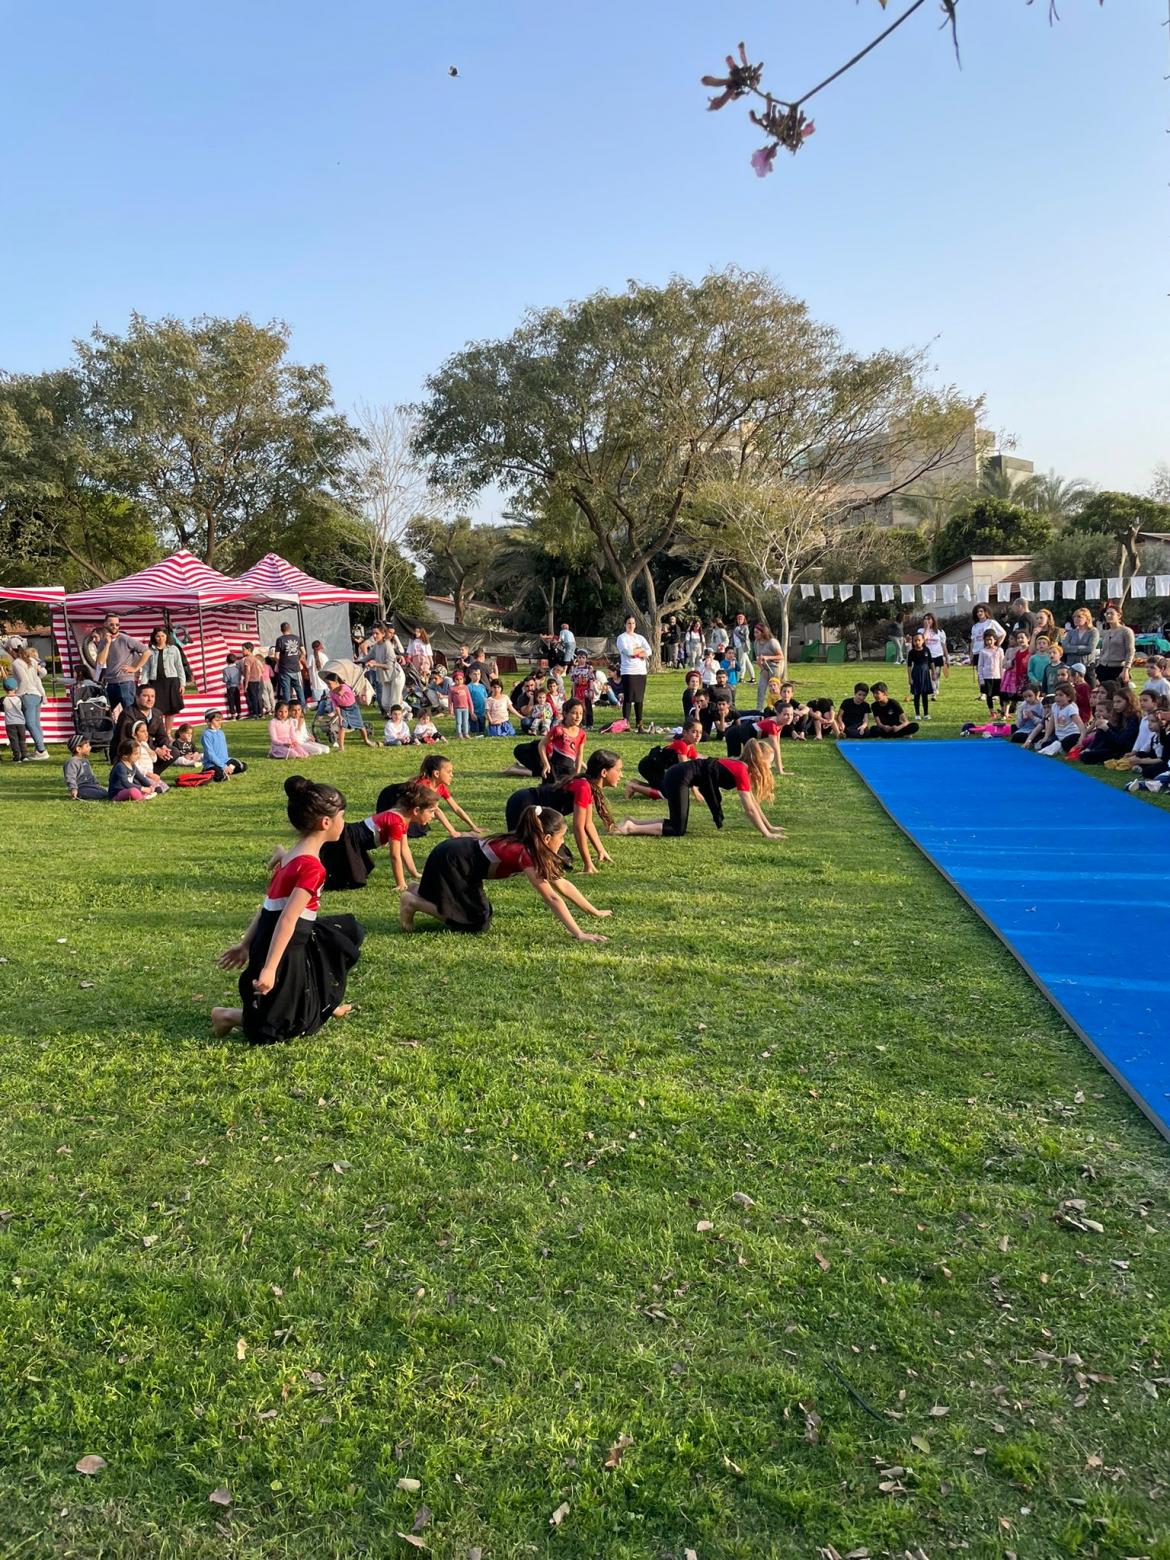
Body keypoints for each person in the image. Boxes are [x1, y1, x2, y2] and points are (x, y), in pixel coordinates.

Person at [212, 776, 365, 1043]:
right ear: (326, 822)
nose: (344, 823)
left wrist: (245, 944)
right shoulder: (312, 868)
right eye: (342, 817)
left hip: (290, 940)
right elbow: (286, 918)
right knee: (281, 1029)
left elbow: (267, 908)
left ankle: (325, 1006)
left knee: (340, 938)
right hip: (284, 946)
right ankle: (226, 1016)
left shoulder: (291, 856)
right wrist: (270, 968)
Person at [399, 805, 613, 941]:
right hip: (454, 861)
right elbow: (552, 897)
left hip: (457, 857)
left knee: (482, 913)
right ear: (547, 838)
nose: (563, 842)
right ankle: (413, 902)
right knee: (476, 922)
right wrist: (579, 934)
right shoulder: (526, 853)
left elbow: (562, 884)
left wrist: (594, 911)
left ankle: (418, 890)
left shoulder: (530, 844)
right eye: (562, 837)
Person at [617, 738, 785, 841]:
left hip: (679, 775)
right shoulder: (741, 770)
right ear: (758, 760)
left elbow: (753, 804)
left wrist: (769, 827)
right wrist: (766, 834)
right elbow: (749, 810)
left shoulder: (742, 768)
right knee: (677, 829)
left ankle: (634, 822)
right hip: (679, 776)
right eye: (769, 763)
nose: (770, 767)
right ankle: (631, 828)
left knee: (676, 823)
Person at [504, 749, 623, 873]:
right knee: (522, 854)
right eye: (618, 770)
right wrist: (588, 864)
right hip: (522, 804)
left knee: (564, 860)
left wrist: (601, 851)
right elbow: (578, 828)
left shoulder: (588, 786)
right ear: (604, 772)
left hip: (536, 811)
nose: (621, 775)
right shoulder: (583, 787)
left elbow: (588, 824)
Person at [321, 779, 440, 894]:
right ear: (416, 810)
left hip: (353, 839)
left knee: (359, 873)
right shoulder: (396, 821)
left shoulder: (403, 818)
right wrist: (401, 883)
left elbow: (404, 848)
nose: (433, 816)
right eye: (431, 811)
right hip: (347, 838)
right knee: (349, 881)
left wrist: (414, 873)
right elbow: (395, 856)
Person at [376, 753, 482, 840]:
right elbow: (436, 810)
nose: (452, 775)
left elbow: (456, 808)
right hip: (389, 799)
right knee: (403, 831)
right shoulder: (423, 786)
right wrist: (452, 832)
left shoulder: (440, 787)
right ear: (436, 774)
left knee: (422, 829)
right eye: (449, 772)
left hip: (409, 806)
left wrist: (473, 826)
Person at [506, 698, 587, 780]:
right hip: (550, 762)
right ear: (565, 714)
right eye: (574, 713)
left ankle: (517, 769)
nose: (578, 716)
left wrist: (579, 772)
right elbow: (542, 744)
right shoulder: (558, 730)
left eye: (581, 713)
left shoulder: (581, 734)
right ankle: (516, 769)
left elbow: (578, 754)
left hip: (564, 767)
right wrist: (546, 764)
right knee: (546, 774)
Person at [92, 613, 149, 720]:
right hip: (110, 683)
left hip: (125, 683)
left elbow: (147, 652)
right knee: (105, 714)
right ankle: (111, 730)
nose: (115, 627)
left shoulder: (125, 639)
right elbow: (100, 662)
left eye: (117, 625)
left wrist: (135, 668)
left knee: (131, 714)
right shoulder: (103, 642)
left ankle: (136, 730)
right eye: (112, 624)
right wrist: (107, 644)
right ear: (105, 624)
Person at [626, 723, 702, 799]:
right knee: (667, 795)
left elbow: (694, 767)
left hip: (657, 768)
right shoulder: (681, 744)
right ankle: (633, 786)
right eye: (694, 732)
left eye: (700, 732)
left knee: (671, 791)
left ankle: (636, 783)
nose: (698, 735)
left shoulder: (690, 747)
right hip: (649, 767)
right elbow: (686, 770)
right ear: (685, 733)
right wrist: (694, 790)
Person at [113, 685, 175, 772]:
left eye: (152, 696)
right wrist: (155, 749)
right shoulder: (128, 714)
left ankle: (152, 773)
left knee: (174, 752)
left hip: (150, 748)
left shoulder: (157, 713)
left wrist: (164, 747)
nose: (150, 699)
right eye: (145, 696)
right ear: (137, 697)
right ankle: (142, 774)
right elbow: (125, 740)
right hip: (132, 749)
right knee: (137, 752)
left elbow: (162, 735)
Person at [139, 628, 188, 734]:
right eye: (158, 636)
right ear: (154, 637)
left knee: (170, 710)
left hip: (171, 682)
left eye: (162, 636)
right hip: (155, 683)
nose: (160, 638)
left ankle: (168, 733)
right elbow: (146, 669)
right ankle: (159, 732)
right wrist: (143, 685)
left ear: (166, 637)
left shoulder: (174, 649)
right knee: (156, 709)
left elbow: (179, 667)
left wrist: (182, 684)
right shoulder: (149, 651)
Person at [1077, 686, 1141, 765]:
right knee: (1086, 751)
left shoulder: (1134, 717)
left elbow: (1122, 740)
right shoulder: (1120, 715)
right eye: (1114, 702)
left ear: (1128, 701)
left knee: (1086, 756)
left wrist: (1107, 728)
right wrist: (1090, 748)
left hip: (1125, 749)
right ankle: (1093, 749)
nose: (1115, 705)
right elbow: (1109, 735)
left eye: (1119, 702)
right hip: (1114, 745)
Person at [613, 614, 653, 732]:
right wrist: (640, 651)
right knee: (628, 697)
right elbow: (627, 651)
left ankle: (639, 722)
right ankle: (626, 722)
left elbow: (649, 651)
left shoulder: (640, 638)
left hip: (641, 671)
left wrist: (637, 652)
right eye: (629, 623)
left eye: (633, 623)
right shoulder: (622, 638)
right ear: (625, 624)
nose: (631, 625)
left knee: (639, 698)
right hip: (628, 671)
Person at [9, 646, 49, 759]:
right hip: (37, 694)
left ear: (13, 651)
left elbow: (24, 680)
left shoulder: (17, 663)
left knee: (30, 723)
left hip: (28, 695)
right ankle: (39, 749)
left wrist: (17, 694)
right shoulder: (32, 660)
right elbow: (41, 675)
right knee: (36, 723)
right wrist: (43, 694)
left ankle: (41, 750)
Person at [1026, 684, 1085, 756]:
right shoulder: (1055, 706)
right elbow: (1051, 722)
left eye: (1061, 695)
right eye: (1056, 695)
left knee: (1067, 742)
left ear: (1069, 697)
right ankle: (1057, 747)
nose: (1057, 697)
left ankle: (1060, 747)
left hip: (1071, 735)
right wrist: (1046, 737)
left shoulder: (1070, 709)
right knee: (1044, 743)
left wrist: (1082, 737)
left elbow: (1080, 724)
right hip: (1059, 736)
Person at [324, 672, 375, 751]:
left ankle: (366, 740)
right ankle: (341, 747)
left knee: (361, 726)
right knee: (342, 726)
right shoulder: (332, 693)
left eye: (329, 683)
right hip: (343, 709)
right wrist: (340, 716)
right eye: (327, 684)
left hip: (353, 708)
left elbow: (340, 693)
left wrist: (333, 691)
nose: (328, 686)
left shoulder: (344, 687)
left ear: (336, 682)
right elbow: (336, 706)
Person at [724, 711, 788, 770]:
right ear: (778, 714)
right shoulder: (772, 724)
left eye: (791, 714)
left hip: (743, 732)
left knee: (741, 762)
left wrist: (779, 764)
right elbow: (775, 748)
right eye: (785, 714)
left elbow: (777, 745)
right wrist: (780, 770)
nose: (789, 717)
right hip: (735, 733)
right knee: (735, 763)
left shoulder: (779, 723)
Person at [200, 709, 248, 781]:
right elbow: (210, 754)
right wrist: (223, 766)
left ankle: (225, 771)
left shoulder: (221, 733)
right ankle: (209, 771)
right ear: (208, 721)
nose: (219, 722)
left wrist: (226, 765)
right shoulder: (206, 735)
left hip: (225, 761)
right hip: (212, 764)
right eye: (217, 720)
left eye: (220, 720)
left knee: (242, 766)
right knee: (221, 776)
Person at [1096, 605, 1135, 688]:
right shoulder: (1106, 632)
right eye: (1107, 614)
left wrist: (1126, 669)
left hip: (1118, 668)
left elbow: (1130, 651)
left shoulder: (1126, 631)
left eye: (1111, 613)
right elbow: (1103, 650)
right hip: (1103, 668)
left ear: (1119, 615)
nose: (1108, 616)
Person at [128, 721, 170, 791]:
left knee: (165, 788)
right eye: (142, 731)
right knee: (158, 789)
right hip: (142, 775)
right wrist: (148, 774)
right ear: (134, 734)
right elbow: (135, 766)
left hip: (150, 774)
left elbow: (154, 759)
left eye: (146, 731)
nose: (146, 733)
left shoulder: (145, 744)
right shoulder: (134, 747)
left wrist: (151, 752)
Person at [63, 734, 107, 799]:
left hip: (91, 786)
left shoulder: (86, 761)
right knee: (100, 794)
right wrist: (73, 789)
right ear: (78, 749)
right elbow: (70, 777)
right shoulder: (72, 762)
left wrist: (97, 784)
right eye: (87, 746)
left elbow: (91, 775)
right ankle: (79, 794)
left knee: (105, 792)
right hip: (81, 788)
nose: (90, 747)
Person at [272, 622, 306, 708]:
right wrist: (298, 660)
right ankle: (302, 708)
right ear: (290, 629)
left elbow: (276, 656)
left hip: (284, 669)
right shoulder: (297, 638)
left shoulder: (280, 640)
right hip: (296, 668)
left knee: (286, 691)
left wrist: (280, 663)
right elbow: (304, 652)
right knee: (299, 689)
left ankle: (287, 709)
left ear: (281, 630)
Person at [753, 623, 784, 713]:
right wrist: (762, 668)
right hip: (764, 667)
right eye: (754, 632)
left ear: (763, 632)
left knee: (774, 689)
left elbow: (781, 656)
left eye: (757, 632)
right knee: (761, 688)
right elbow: (758, 658)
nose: (755, 634)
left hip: (775, 667)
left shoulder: (772, 642)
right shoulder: (756, 643)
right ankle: (759, 710)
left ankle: (778, 708)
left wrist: (767, 657)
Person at [906, 631, 935, 721]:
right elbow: (909, 666)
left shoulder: (926, 650)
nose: (917, 642)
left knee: (925, 694)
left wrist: (933, 673)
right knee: (917, 694)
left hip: (925, 674)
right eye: (915, 640)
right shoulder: (912, 652)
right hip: (916, 674)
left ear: (923, 640)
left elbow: (931, 662)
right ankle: (917, 714)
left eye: (919, 640)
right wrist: (910, 678)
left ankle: (926, 713)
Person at [1063, 607, 1100, 678]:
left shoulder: (1093, 631)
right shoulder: (1071, 632)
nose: (1075, 619)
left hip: (1087, 666)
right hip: (1071, 666)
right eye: (1074, 617)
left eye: (1079, 617)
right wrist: (1081, 648)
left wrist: (1071, 648)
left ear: (1087, 618)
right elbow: (1064, 647)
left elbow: (1090, 649)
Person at [976, 631, 1006, 715]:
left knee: (1001, 694)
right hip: (987, 677)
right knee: (989, 695)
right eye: (987, 640)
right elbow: (980, 666)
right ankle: (992, 711)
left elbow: (1002, 665)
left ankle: (1003, 710)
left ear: (995, 640)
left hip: (998, 676)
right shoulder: (983, 651)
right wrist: (981, 679)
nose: (989, 642)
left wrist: (1003, 677)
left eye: (990, 640)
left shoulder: (999, 650)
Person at [918, 613, 948, 695]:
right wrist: (927, 628)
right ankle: (930, 690)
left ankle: (935, 690)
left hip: (937, 655)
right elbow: (923, 639)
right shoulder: (920, 631)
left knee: (935, 675)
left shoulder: (940, 632)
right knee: (925, 674)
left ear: (933, 620)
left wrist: (947, 657)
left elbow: (943, 645)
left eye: (929, 619)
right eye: (925, 619)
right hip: (925, 656)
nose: (927, 620)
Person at [3, 675, 28, 763]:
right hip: (21, 722)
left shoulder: (3, 699)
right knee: (22, 739)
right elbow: (24, 708)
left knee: (14, 740)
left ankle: (17, 757)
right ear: (16, 688)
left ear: (4, 689)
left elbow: (1, 708)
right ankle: (24, 756)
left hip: (10, 723)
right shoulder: (20, 698)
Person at [240, 643, 266, 719]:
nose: (242, 651)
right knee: (256, 697)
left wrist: (246, 683)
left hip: (251, 680)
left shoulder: (247, 659)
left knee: (252, 698)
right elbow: (262, 669)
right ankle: (259, 713)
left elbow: (247, 671)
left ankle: (255, 714)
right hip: (257, 680)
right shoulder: (255, 658)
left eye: (243, 649)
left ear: (249, 650)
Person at [447, 670, 473, 739]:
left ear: (463, 679)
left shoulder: (465, 687)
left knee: (465, 721)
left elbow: (469, 698)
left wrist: (471, 708)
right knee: (459, 722)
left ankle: (466, 733)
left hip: (465, 708)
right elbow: (450, 700)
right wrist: (450, 708)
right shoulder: (452, 688)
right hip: (457, 708)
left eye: (461, 679)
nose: (459, 681)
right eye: (457, 679)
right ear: (454, 680)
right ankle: (459, 733)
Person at [731, 613, 754, 683]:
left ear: (744, 620)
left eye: (741, 619)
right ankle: (753, 677)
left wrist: (737, 633)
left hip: (743, 646)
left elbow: (745, 638)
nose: (739, 620)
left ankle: (741, 677)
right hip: (737, 646)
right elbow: (733, 638)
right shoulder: (736, 627)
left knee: (742, 662)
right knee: (747, 662)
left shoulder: (745, 627)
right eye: (738, 619)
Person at [467, 667, 488, 735]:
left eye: (478, 674)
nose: (477, 676)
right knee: (475, 731)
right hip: (474, 713)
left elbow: (485, 699)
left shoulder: (482, 686)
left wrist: (486, 711)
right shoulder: (468, 687)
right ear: (470, 675)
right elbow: (467, 701)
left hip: (482, 713)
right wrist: (471, 713)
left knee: (482, 730)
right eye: (474, 674)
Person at [222, 653, 243, 719]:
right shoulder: (237, 669)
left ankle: (233, 714)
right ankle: (239, 714)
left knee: (231, 701)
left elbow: (225, 680)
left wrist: (223, 680)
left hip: (230, 686)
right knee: (237, 700)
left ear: (227, 660)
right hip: (237, 686)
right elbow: (240, 677)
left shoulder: (225, 670)